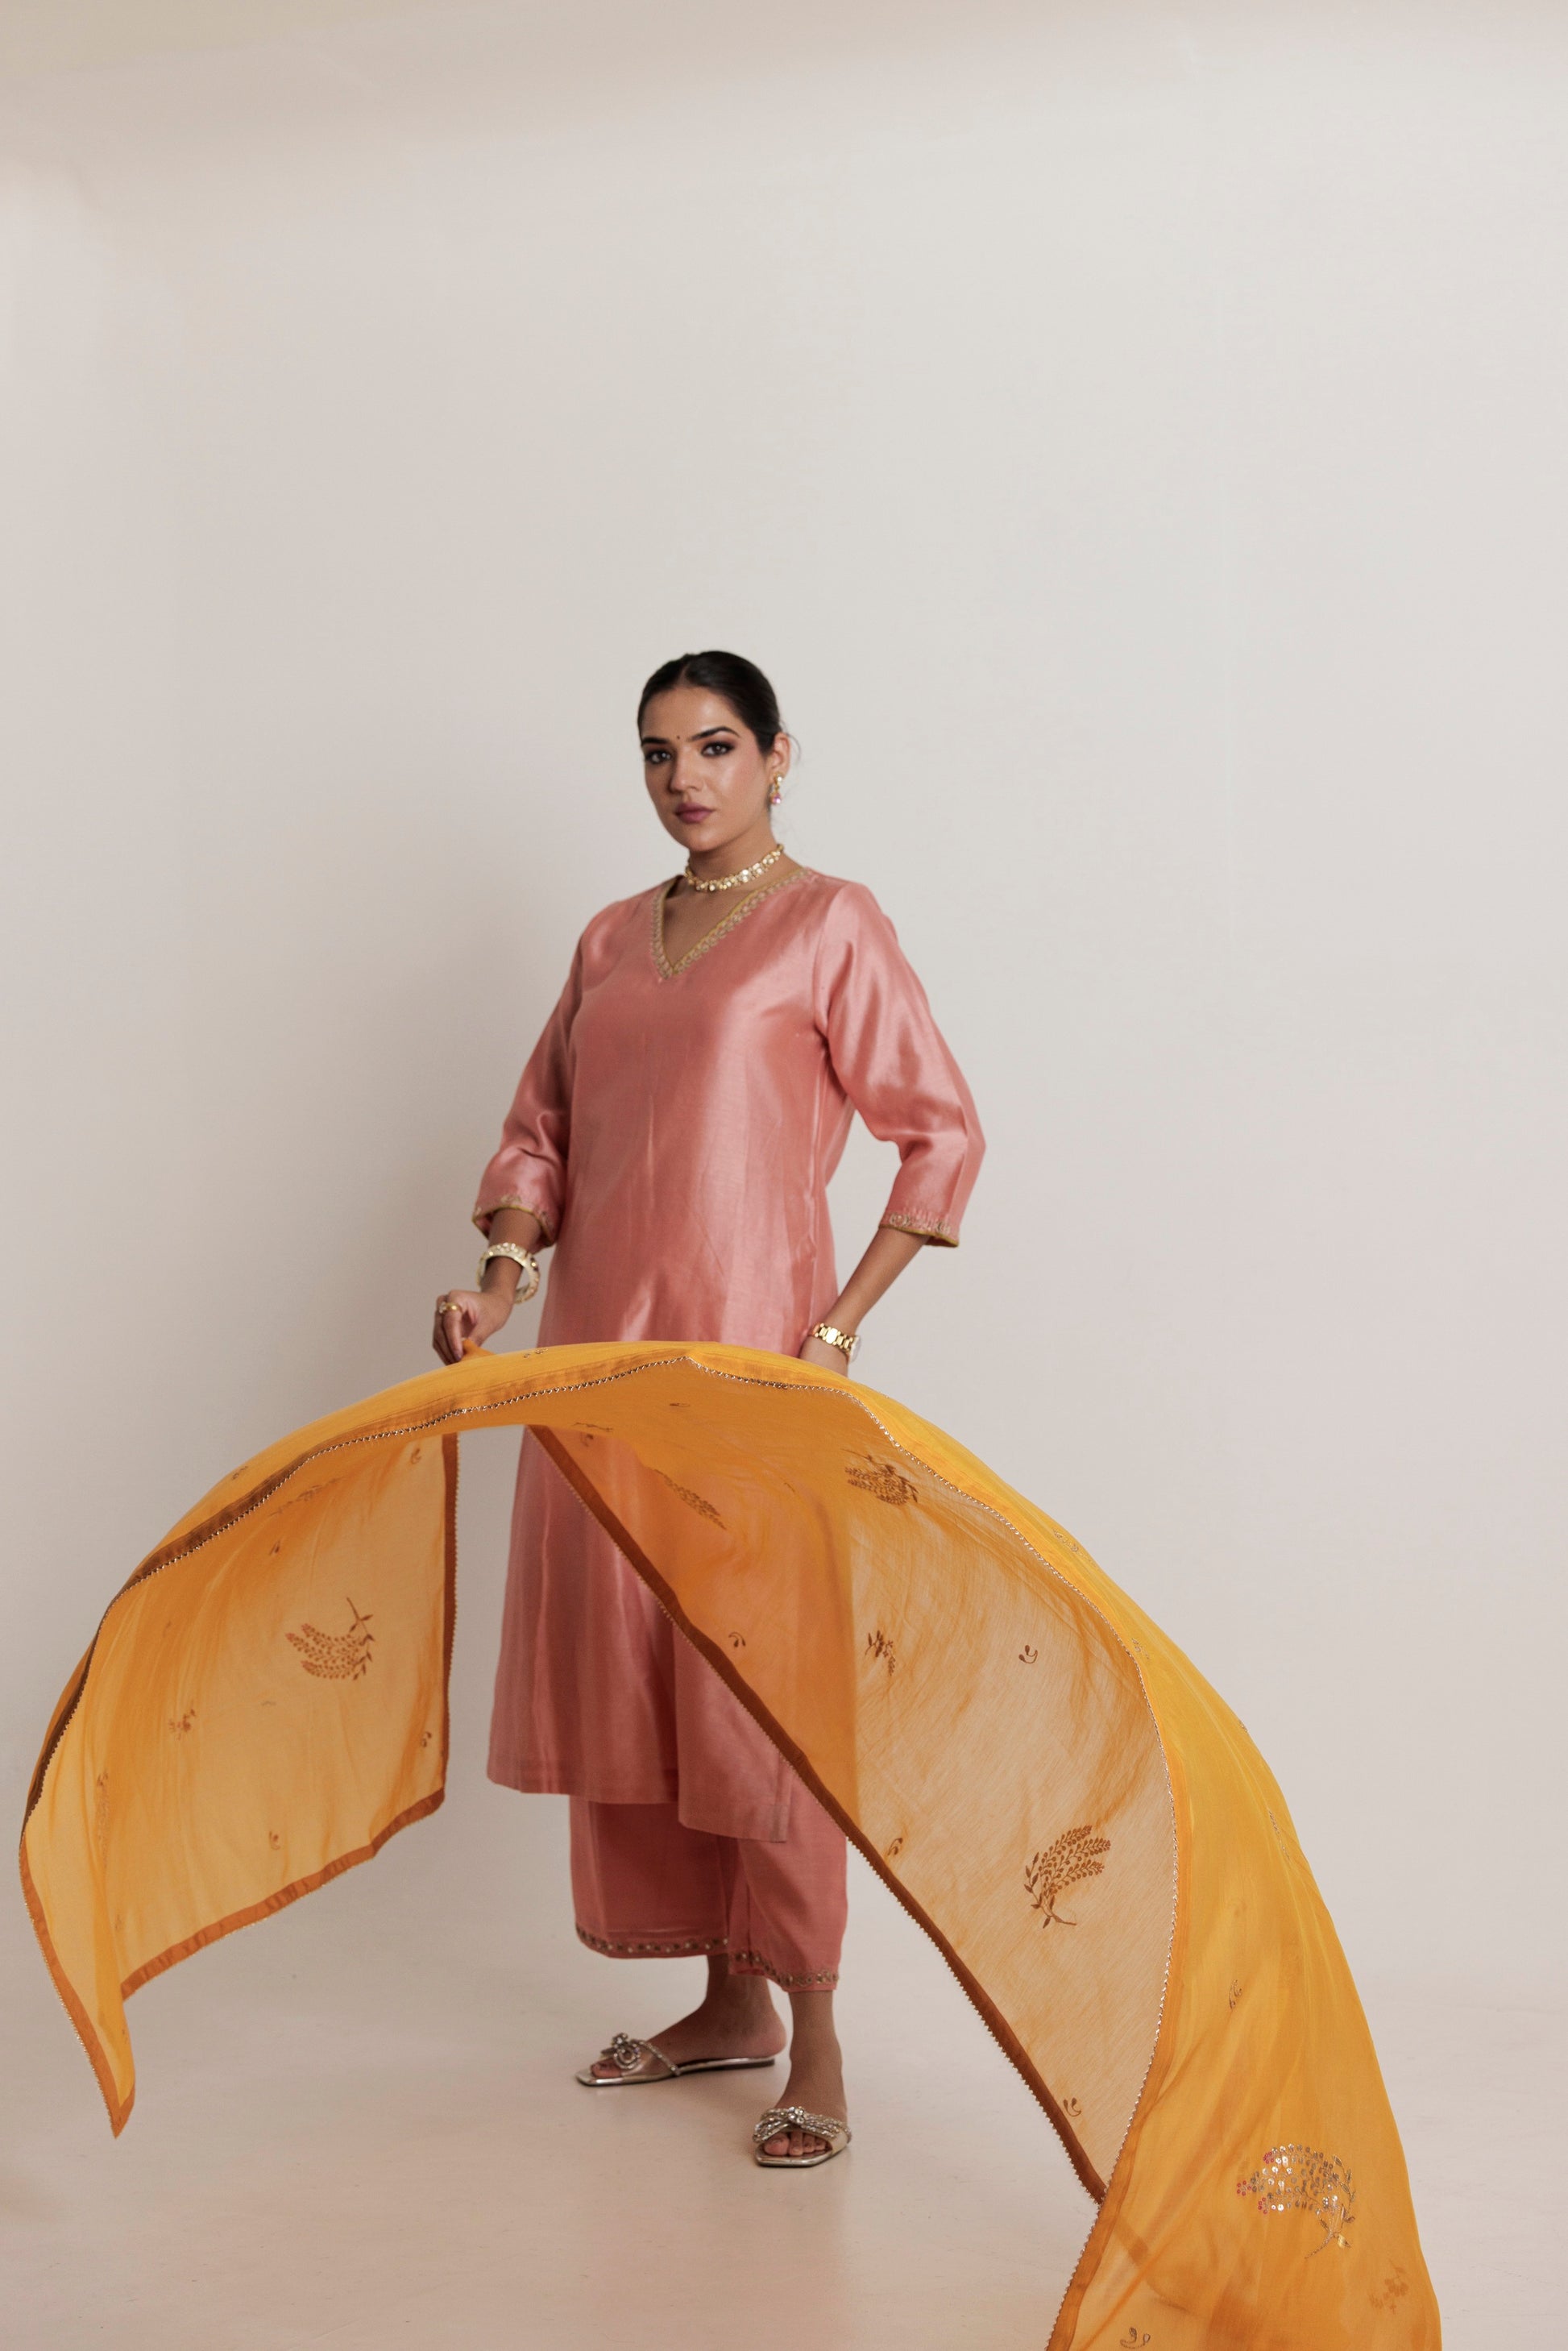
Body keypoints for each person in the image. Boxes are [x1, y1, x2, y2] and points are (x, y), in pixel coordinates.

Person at [432, 650, 983, 2167]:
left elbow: (939, 1131)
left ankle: (817, 2035)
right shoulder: (611, 937)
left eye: (718, 745)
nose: (685, 777)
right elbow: (539, 1133)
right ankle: (725, 2004)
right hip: (599, 1371)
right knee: (637, 1664)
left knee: (761, 1696)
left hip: (747, 1376)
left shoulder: (829, 923)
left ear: (778, 756)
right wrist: (497, 1284)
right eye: (659, 751)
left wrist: (836, 1329)